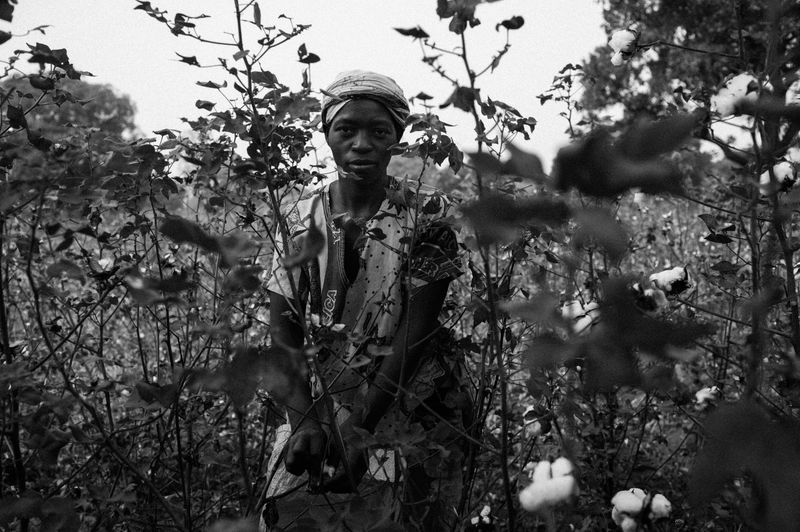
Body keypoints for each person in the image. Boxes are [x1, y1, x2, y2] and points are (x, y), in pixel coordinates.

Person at [264, 70, 471, 531]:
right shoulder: (298, 218)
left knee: (400, 516)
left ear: (397, 138)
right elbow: (284, 330)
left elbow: (415, 335)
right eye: (346, 129)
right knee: (299, 509)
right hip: (324, 402)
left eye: (379, 131)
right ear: (328, 135)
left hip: (412, 405)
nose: (362, 144)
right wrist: (304, 421)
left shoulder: (428, 219)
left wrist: (360, 430)